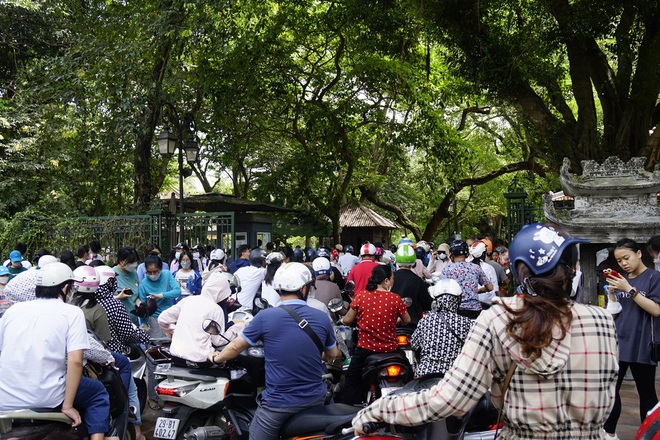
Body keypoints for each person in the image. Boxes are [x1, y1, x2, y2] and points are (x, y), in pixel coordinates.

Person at [350, 222, 619, 439]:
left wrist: (379, 409)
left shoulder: (498, 319)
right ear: (572, 271)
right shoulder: (603, 321)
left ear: (517, 272)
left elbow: (447, 400)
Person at [209, 262, 338, 440]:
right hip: (315, 399)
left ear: (278, 289)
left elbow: (235, 347)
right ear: (304, 290)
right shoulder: (321, 317)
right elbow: (333, 354)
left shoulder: (265, 317)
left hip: (278, 405)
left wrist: (216, 358)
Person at [0, 262, 111, 440]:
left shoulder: (12, 312)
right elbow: (75, 361)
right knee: (97, 392)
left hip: (5, 399)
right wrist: (67, 406)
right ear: (66, 288)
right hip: (46, 397)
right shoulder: (72, 312)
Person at [603, 238, 660, 439]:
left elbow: (656, 310)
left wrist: (629, 289)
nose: (623, 263)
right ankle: (609, 433)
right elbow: (613, 314)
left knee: (646, 393)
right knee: (611, 390)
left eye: (626, 258)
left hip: (643, 342)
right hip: (619, 342)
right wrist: (611, 294)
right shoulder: (621, 280)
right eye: (619, 261)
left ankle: (652, 434)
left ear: (639, 253)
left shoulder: (654, 278)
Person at [341, 264, 412, 406]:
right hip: (391, 350)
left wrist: (342, 320)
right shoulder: (395, 299)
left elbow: (347, 320)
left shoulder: (361, 296)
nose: (393, 281)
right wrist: (396, 320)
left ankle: (351, 413)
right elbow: (407, 320)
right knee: (409, 373)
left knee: (352, 379)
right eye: (392, 278)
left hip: (365, 350)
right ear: (386, 281)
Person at [94, 265, 149, 440]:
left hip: (89, 360)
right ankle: (138, 433)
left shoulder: (81, 303)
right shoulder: (113, 305)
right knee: (130, 392)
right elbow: (128, 333)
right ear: (109, 283)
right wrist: (144, 335)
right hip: (113, 359)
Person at [158, 271, 244, 367]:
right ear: (222, 292)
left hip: (176, 357)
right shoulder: (216, 309)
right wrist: (238, 327)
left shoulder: (188, 300)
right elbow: (218, 341)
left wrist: (171, 331)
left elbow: (162, 319)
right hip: (199, 361)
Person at [139, 254, 181, 407]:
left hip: (169, 319)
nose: (152, 275)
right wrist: (144, 325)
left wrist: (161, 295)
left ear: (160, 269)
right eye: (149, 272)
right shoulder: (143, 284)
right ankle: (152, 397)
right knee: (153, 361)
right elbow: (143, 308)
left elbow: (177, 291)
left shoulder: (167, 275)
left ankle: (170, 393)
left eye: (155, 271)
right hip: (154, 321)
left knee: (173, 357)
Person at [411, 278, 474, 377]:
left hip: (425, 375)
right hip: (455, 377)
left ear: (436, 300)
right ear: (458, 300)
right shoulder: (467, 323)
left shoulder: (426, 320)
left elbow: (414, 345)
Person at [441, 240, 492, 319]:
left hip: (455, 311)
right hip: (474, 311)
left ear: (451, 254)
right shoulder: (475, 268)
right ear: (467, 254)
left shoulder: (447, 270)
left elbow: (442, 290)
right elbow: (490, 287)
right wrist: (479, 290)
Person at [392, 243, 431, 325]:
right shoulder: (418, 281)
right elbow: (427, 302)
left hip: (393, 322)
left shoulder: (390, 280)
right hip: (414, 322)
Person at [113, 246, 141, 326]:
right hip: (118, 322)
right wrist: (118, 297)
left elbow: (135, 295)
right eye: (131, 262)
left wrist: (139, 303)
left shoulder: (134, 274)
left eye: (135, 261)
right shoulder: (111, 275)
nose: (133, 264)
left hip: (133, 321)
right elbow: (103, 299)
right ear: (121, 261)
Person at [469, 240, 499, 306]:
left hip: (470, 303)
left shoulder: (466, 267)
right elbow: (495, 288)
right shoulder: (489, 268)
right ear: (483, 253)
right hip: (487, 303)